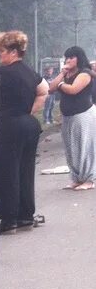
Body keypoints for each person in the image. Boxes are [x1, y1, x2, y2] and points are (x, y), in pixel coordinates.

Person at [0, 31, 48, 235]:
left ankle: (8, 219)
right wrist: (30, 110)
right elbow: (44, 90)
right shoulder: (30, 72)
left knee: (6, 171)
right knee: (25, 170)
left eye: (2, 51)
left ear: (14, 51)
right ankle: (25, 215)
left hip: (8, 125)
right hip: (28, 123)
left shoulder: (0, 73)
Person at [48, 46, 96, 190]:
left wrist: (61, 84)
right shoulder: (66, 74)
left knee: (84, 148)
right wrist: (62, 74)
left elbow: (74, 89)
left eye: (71, 57)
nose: (68, 60)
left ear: (78, 58)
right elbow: (51, 88)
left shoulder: (85, 73)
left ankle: (90, 179)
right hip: (68, 116)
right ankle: (76, 178)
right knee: (71, 148)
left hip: (83, 115)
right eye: (67, 57)